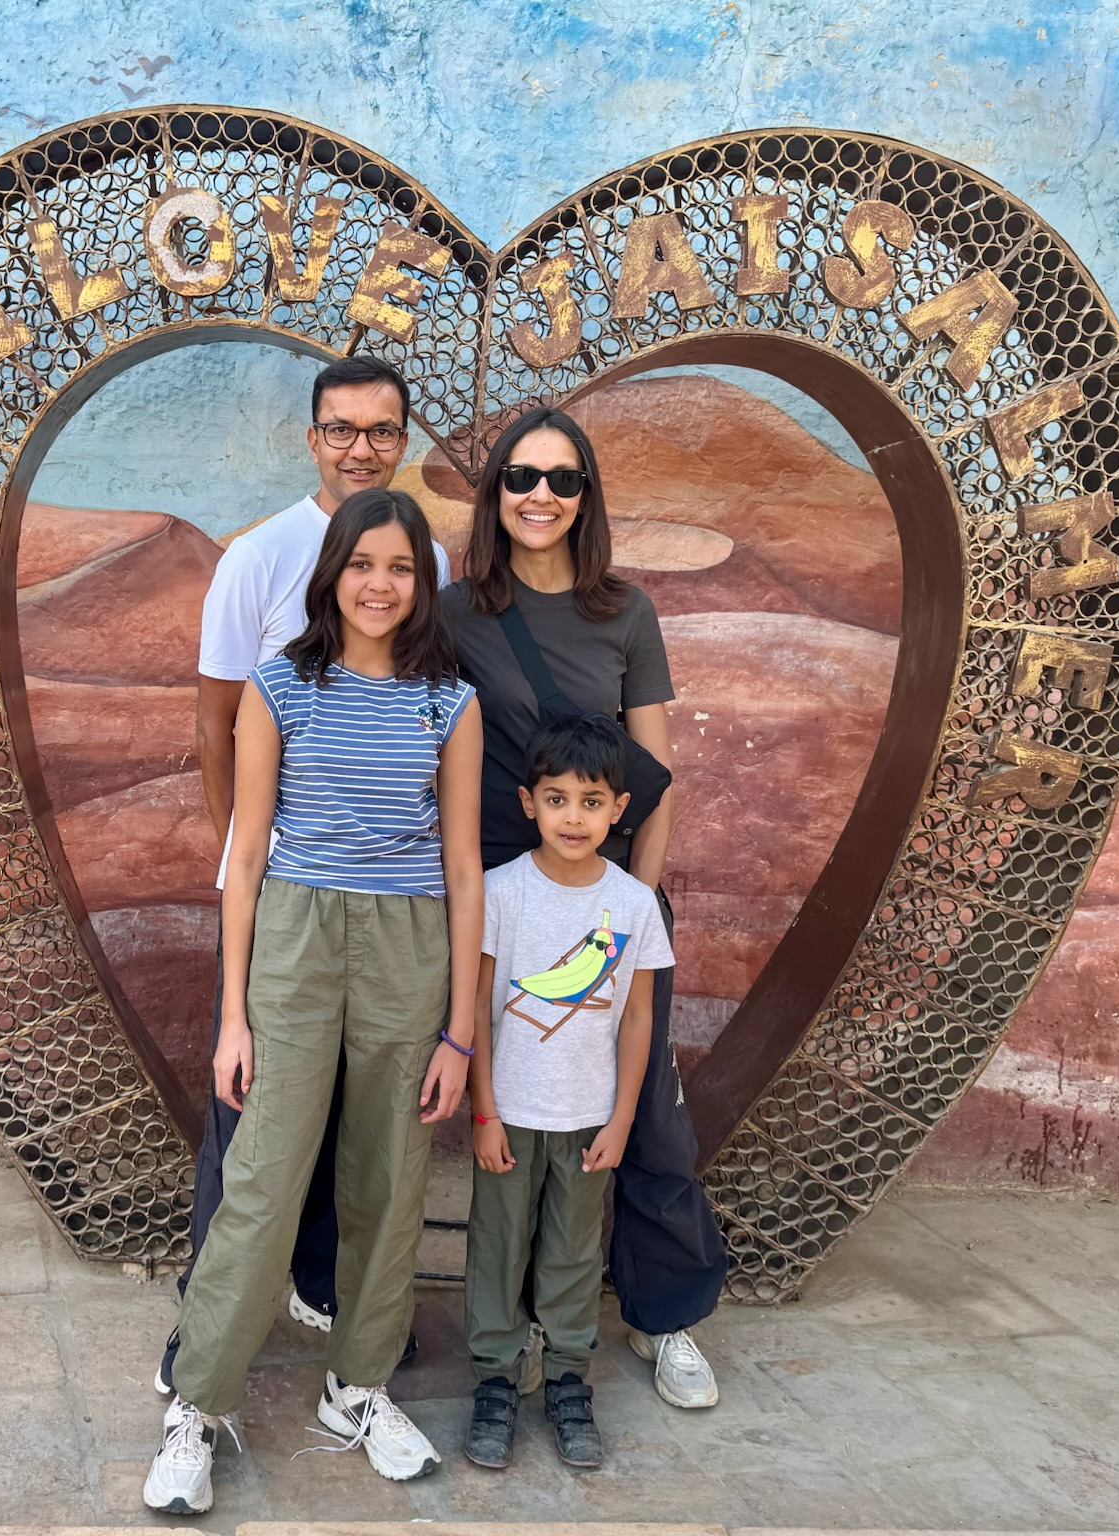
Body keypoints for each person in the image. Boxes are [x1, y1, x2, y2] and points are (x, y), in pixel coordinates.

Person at [144, 489, 483, 1515]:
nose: (380, 585)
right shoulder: (279, 687)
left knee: (390, 1174)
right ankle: (198, 1403)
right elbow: (246, 853)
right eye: (362, 564)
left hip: (409, 946)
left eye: (401, 568)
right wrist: (234, 1017)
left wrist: (460, 1032)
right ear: (332, 573)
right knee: (263, 1174)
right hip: (293, 940)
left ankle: (358, 1386)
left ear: (422, 583)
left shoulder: (448, 703)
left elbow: (463, 867)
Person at [159, 356, 447, 1393]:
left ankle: (328, 1293)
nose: (360, 448)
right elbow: (216, 722)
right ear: (311, 437)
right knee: (251, 1123)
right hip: (285, 893)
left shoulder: (425, 557)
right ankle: (203, 1327)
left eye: (381, 430)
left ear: (403, 439)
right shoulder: (259, 557)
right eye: (341, 429)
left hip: (390, 905)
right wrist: (245, 859)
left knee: (359, 1121)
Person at [438, 406, 729, 1411]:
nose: (540, 496)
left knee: (643, 1115)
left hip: (603, 902)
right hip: (491, 900)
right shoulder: (456, 613)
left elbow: (655, 777)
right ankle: (472, 1327)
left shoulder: (625, 614)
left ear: (586, 497)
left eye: (563, 480)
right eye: (521, 476)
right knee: (486, 1106)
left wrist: (629, 904)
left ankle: (663, 1314)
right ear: (494, 492)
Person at [464, 715, 675, 1469]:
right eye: (557, 799)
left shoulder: (633, 904)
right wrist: (484, 1112)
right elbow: (478, 1007)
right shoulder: (500, 893)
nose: (574, 818)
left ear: (619, 808)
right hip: (510, 1115)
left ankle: (567, 1380)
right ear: (529, 803)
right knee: (498, 1247)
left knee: (575, 1253)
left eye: (592, 802)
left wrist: (622, 1118)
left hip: (590, 1117)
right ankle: (494, 1380)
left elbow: (639, 1016)